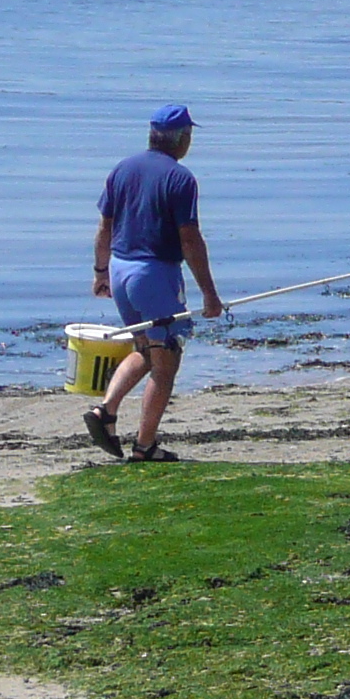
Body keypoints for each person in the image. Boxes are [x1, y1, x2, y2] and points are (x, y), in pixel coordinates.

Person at [84, 104, 225, 463]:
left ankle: (106, 410)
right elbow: (190, 239)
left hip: (120, 267)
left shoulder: (122, 169)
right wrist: (209, 293)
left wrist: (101, 272)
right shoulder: (180, 179)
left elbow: (105, 227)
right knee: (166, 361)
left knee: (144, 348)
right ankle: (144, 445)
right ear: (181, 138)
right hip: (154, 274)